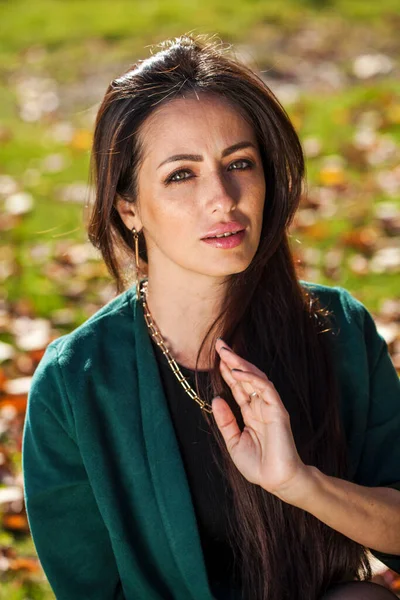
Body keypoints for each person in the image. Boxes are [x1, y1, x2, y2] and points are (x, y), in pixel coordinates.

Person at [22, 34, 400, 600]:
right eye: (181, 174)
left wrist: (300, 483)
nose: (222, 198)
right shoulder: (78, 382)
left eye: (239, 163)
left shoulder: (336, 328)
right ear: (129, 209)